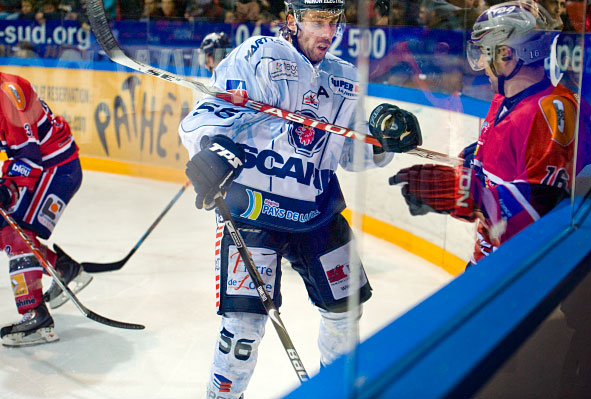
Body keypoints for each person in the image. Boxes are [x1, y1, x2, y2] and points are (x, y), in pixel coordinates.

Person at [178, 0, 422, 395]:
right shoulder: (258, 56)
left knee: (346, 315)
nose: (327, 33)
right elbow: (209, 114)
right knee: (243, 330)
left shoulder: (344, 78)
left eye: (333, 22)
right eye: (317, 21)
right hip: (254, 211)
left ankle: (333, 391)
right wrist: (211, 147)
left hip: (317, 213)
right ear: (291, 21)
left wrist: (384, 143)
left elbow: (350, 153)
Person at [389, 0, 579, 267]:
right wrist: (477, 161)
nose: (479, 64)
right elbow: (502, 175)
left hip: (519, 271)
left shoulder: (548, 112)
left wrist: (467, 193)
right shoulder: (504, 99)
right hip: (487, 257)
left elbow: (544, 209)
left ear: (506, 55)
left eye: (482, 52)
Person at [0, 72, 92, 346]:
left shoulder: (7, 94)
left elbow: (28, 156)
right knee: (9, 232)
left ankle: (35, 316)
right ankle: (64, 270)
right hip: (49, 169)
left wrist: (6, 189)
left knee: (13, 231)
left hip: (56, 171)